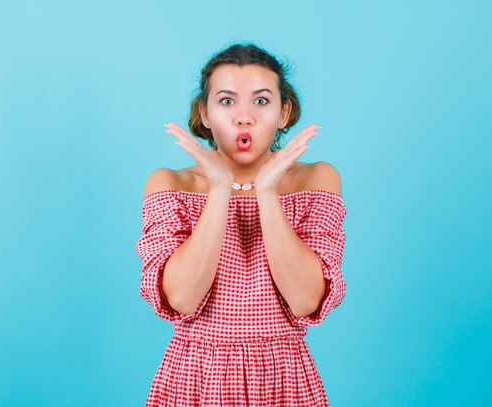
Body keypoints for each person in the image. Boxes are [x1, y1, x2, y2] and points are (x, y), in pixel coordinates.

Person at [134, 42, 347, 407]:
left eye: (261, 101)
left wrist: (267, 192)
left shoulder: (317, 179)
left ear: (285, 113)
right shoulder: (170, 184)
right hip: (196, 377)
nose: (244, 117)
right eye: (227, 101)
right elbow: (183, 299)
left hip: (283, 379)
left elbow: (305, 300)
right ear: (204, 112)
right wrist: (219, 190)